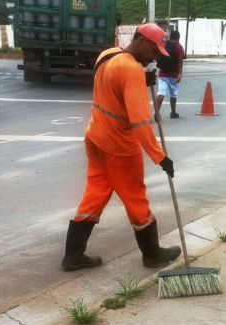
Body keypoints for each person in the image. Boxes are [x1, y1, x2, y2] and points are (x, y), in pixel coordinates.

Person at [62, 23, 182, 271]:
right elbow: (140, 122)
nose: (156, 57)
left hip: (96, 139)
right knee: (136, 198)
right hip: (118, 147)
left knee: (95, 194)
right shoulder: (131, 71)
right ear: (139, 40)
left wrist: (140, 75)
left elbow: (113, 81)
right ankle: (152, 254)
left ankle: (73, 254)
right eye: (154, 50)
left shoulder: (108, 55)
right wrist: (160, 157)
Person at [154, 30, 185, 119]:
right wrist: (180, 74)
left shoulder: (164, 45)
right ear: (178, 38)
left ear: (171, 37)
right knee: (173, 94)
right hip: (173, 75)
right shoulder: (178, 47)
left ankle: (157, 113)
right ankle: (173, 112)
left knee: (161, 93)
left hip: (162, 74)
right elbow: (180, 60)